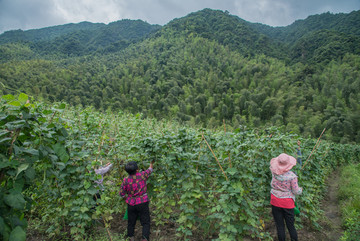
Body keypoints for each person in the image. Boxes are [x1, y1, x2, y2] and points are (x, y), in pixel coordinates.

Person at [270, 153, 302, 241]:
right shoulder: (292, 177)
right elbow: (296, 191)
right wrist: (300, 190)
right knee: (290, 225)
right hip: (287, 203)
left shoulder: (274, 172)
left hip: (275, 200)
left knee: (280, 226)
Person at [120, 161, 154, 241]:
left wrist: (127, 198)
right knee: (145, 222)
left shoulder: (126, 180)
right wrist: (151, 163)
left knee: (131, 222)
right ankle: (144, 239)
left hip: (131, 203)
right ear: (137, 169)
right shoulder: (142, 175)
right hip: (142, 202)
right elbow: (150, 169)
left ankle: (131, 238)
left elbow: (122, 194)